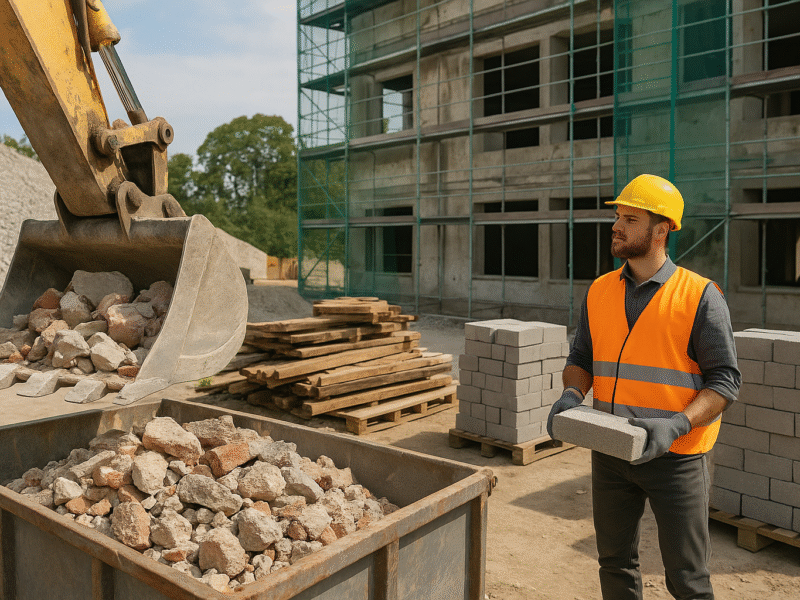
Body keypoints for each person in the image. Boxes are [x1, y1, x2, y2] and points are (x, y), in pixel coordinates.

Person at [546, 174, 741, 600]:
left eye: (629, 218)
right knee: (614, 564)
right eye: (617, 216)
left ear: (661, 229)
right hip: (611, 450)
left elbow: (725, 382)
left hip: (677, 458)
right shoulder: (599, 290)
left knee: (687, 580)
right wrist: (572, 396)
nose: (616, 226)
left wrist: (677, 424)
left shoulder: (700, 297)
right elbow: (580, 359)